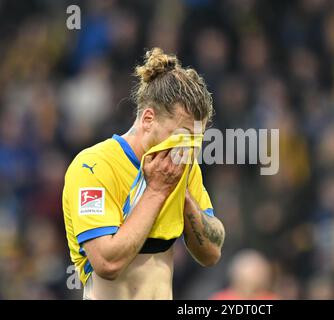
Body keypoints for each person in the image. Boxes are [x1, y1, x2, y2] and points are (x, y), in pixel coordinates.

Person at [62, 48, 225, 299]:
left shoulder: (182, 167)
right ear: (148, 119)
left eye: (196, 141)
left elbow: (212, 252)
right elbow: (107, 263)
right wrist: (157, 190)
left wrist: (182, 196)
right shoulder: (93, 166)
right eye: (182, 136)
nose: (188, 150)